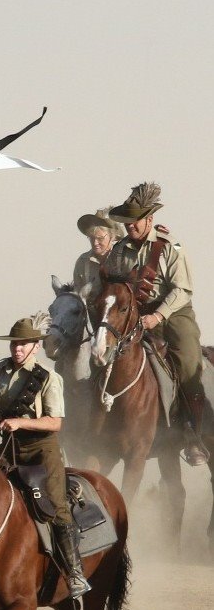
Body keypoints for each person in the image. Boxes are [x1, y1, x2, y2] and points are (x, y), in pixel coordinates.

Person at [0, 314, 86, 598]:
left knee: (56, 505)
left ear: (36, 346)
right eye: (14, 344)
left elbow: (55, 422)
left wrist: (21, 422)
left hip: (42, 450)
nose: (17, 349)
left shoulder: (49, 377)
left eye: (24, 344)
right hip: (10, 448)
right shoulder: (0, 369)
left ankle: (74, 572)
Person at [103, 182, 207, 465]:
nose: (129, 227)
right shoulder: (119, 250)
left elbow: (182, 289)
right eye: (126, 222)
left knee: (187, 363)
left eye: (134, 221)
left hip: (172, 315)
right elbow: (112, 285)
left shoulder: (170, 246)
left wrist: (158, 316)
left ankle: (191, 432)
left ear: (149, 219)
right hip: (133, 315)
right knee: (101, 353)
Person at [71, 209, 123, 304]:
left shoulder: (122, 259)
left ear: (112, 237)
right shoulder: (82, 262)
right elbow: (77, 295)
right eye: (91, 238)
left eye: (100, 238)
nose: (95, 243)